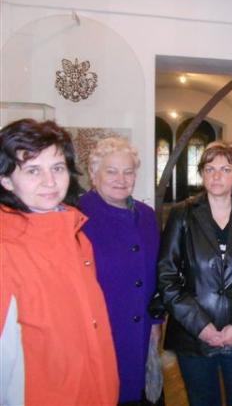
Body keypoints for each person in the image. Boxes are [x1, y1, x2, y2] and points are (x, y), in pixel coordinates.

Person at [0, 119, 118, 405]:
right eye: (33, 170)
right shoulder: (6, 248)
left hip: (94, 389)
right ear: (6, 180)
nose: (50, 181)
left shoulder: (76, 236)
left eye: (57, 168)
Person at [157, 142, 232, 406]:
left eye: (225, 169)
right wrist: (200, 325)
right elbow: (167, 276)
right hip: (193, 336)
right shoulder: (182, 214)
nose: (217, 176)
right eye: (210, 169)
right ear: (201, 174)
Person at [78, 137, 162, 405]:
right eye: (111, 171)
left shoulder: (147, 215)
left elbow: (156, 272)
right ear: (94, 174)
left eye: (128, 172)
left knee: (138, 394)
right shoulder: (77, 217)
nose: (121, 179)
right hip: (98, 332)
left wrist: (156, 321)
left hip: (141, 329)